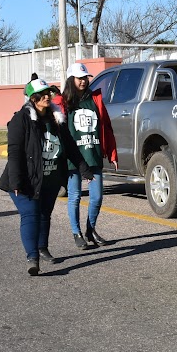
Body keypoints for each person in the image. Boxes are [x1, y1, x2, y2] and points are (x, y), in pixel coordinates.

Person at [0, 78, 92, 275]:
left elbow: (70, 146)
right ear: (33, 99)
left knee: (44, 214)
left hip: (50, 178)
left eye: (49, 93)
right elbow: (14, 152)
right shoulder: (21, 120)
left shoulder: (56, 119)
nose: (48, 96)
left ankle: (42, 248)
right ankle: (33, 258)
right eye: (44, 94)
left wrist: (84, 169)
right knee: (30, 214)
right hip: (26, 179)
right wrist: (15, 180)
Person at [59, 62, 117, 250]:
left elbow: (106, 127)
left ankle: (90, 230)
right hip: (73, 157)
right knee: (74, 196)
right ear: (71, 80)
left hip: (93, 153)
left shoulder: (95, 99)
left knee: (97, 197)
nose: (83, 81)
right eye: (79, 78)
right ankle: (76, 233)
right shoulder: (64, 102)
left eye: (85, 78)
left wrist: (112, 153)